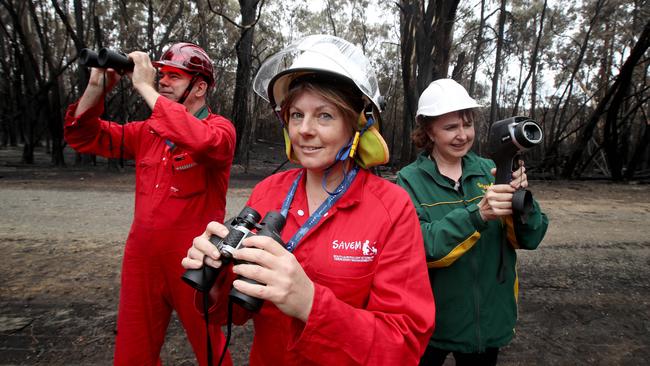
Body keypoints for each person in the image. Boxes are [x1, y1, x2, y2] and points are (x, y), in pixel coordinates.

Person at [182, 34, 435, 365]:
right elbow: (237, 309)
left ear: (355, 125)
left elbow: (403, 343)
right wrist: (214, 278)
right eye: (296, 115)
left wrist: (311, 305)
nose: (304, 129)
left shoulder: (392, 207)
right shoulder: (269, 192)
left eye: (325, 115)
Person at [64, 42, 236, 365]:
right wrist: (95, 88)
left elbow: (201, 141)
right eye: (162, 74)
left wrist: (143, 85)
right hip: (141, 261)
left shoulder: (220, 129)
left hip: (193, 262)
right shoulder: (149, 132)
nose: (163, 81)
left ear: (200, 87)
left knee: (212, 351)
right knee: (133, 353)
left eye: (174, 76)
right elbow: (84, 136)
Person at [396, 78, 549, 366]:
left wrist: (521, 202)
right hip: (430, 321)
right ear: (428, 130)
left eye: (467, 125)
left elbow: (531, 238)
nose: (462, 135)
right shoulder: (409, 180)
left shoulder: (490, 171)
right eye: (450, 127)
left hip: (486, 322)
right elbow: (421, 246)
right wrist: (478, 215)